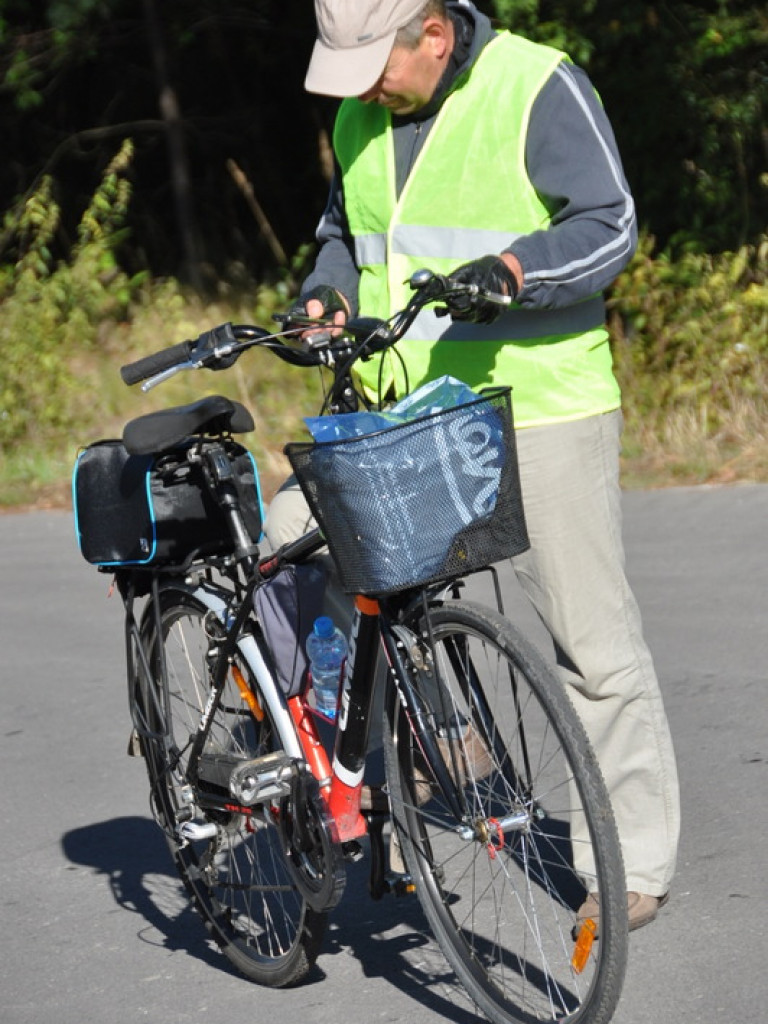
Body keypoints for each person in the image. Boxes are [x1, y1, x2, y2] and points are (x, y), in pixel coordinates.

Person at [265, 0, 680, 932]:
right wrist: (325, 298)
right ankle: (442, 739)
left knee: (590, 639)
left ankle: (635, 860)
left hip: (536, 404)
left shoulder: (537, 86)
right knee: (287, 547)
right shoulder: (358, 111)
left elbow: (609, 224)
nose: (362, 86)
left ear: (437, 36)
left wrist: (516, 269)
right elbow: (344, 233)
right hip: (398, 404)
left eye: (376, 63)